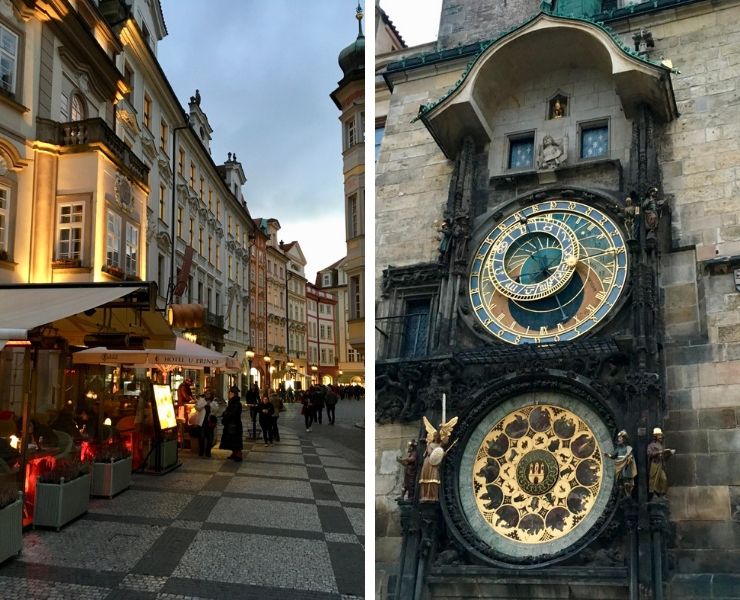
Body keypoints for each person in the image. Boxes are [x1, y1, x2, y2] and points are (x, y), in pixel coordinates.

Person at [607, 430, 637, 496]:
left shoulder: (628, 448)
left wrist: (630, 458)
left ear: (624, 439)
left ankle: (627, 491)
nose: (619, 439)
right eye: (618, 438)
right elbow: (613, 455)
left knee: (625, 477)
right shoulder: (618, 449)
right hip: (619, 464)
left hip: (626, 465)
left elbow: (630, 455)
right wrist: (607, 455)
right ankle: (621, 491)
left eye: (620, 438)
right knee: (619, 479)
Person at [647, 427, 675, 497]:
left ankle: (662, 493)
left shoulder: (661, 445)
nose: (660, 437)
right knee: (654, 479)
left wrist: (669, 454)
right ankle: (654, 494)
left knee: (664, 479)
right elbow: (650, 453)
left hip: (660, 464)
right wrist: (659, 452)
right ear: (655, 436)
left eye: (661, 435)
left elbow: (664, 457)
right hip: (654, 464)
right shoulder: (651, 445)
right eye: (659, 435)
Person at [219, 386, 243, 461]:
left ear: (233, 394)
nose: (228, 394)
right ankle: (234, 453)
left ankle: (238, 455)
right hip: (231, 424)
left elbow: (233, 413)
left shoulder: (235, 403)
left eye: (229, 393)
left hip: (234, 425)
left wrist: (226, 415)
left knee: (235, 440)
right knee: (231, 440)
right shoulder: (232, 402)